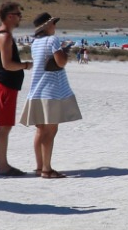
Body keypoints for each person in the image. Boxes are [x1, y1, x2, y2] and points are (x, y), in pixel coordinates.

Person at [21, 13, 82, 178]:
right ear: (47, 26)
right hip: (51, 90)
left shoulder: (35, 43)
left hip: (36, 89)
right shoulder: (53, 40)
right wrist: (64, 51)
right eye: (53, 23)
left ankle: (40, 166)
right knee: (50, 130)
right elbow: (60, 62)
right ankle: (47, 169)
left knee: (40, 130)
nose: (55, 26)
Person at [0, 2, 29, 176]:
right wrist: (26, 65)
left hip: (7, 85)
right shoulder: (5, 36)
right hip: (5, 86)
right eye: (18, 14)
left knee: (4, 125)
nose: (20, 17)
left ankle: (2, 164)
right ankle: (2, 165)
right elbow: (7, 65)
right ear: (10, 16)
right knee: (4, 126)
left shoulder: (2, 34)